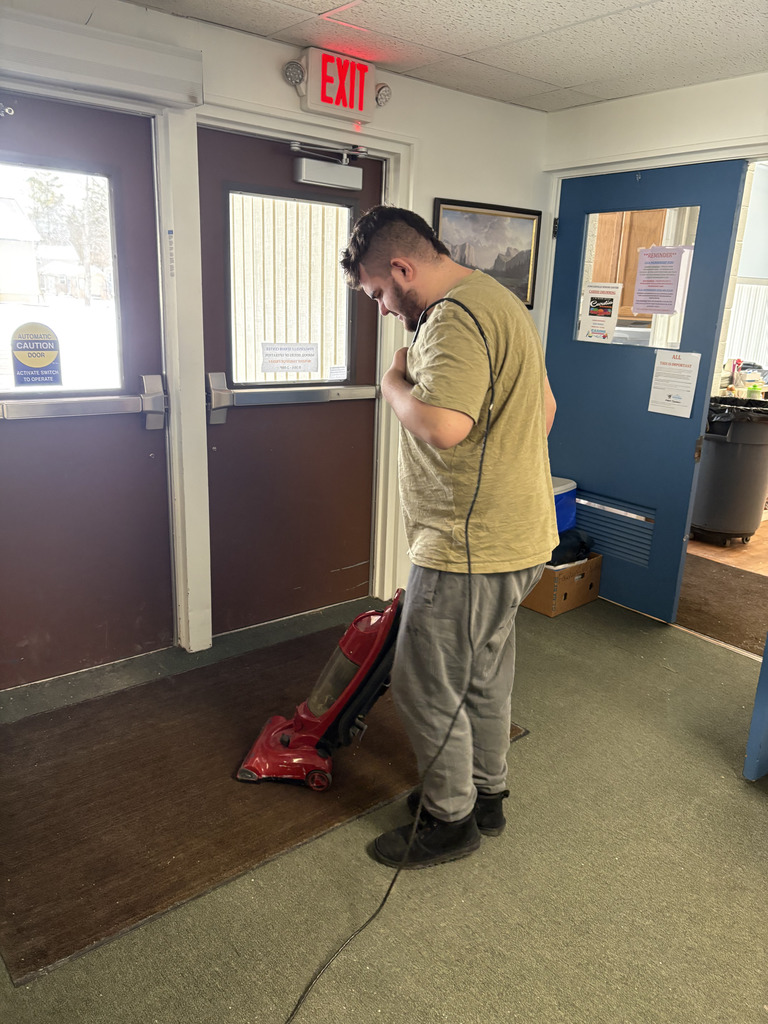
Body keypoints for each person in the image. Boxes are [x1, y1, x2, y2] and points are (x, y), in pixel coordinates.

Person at [340, 206, 558, 869]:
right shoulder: (501, 301)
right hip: (518, 537)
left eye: (378, 293)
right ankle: (485, 794)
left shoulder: (453, 318)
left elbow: (443, 428)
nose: (381, 308)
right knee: (484, 674)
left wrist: (392, 385)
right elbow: (544, 411)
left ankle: (450, 818)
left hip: (469, 548)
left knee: (424, 684)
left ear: (403, 268)